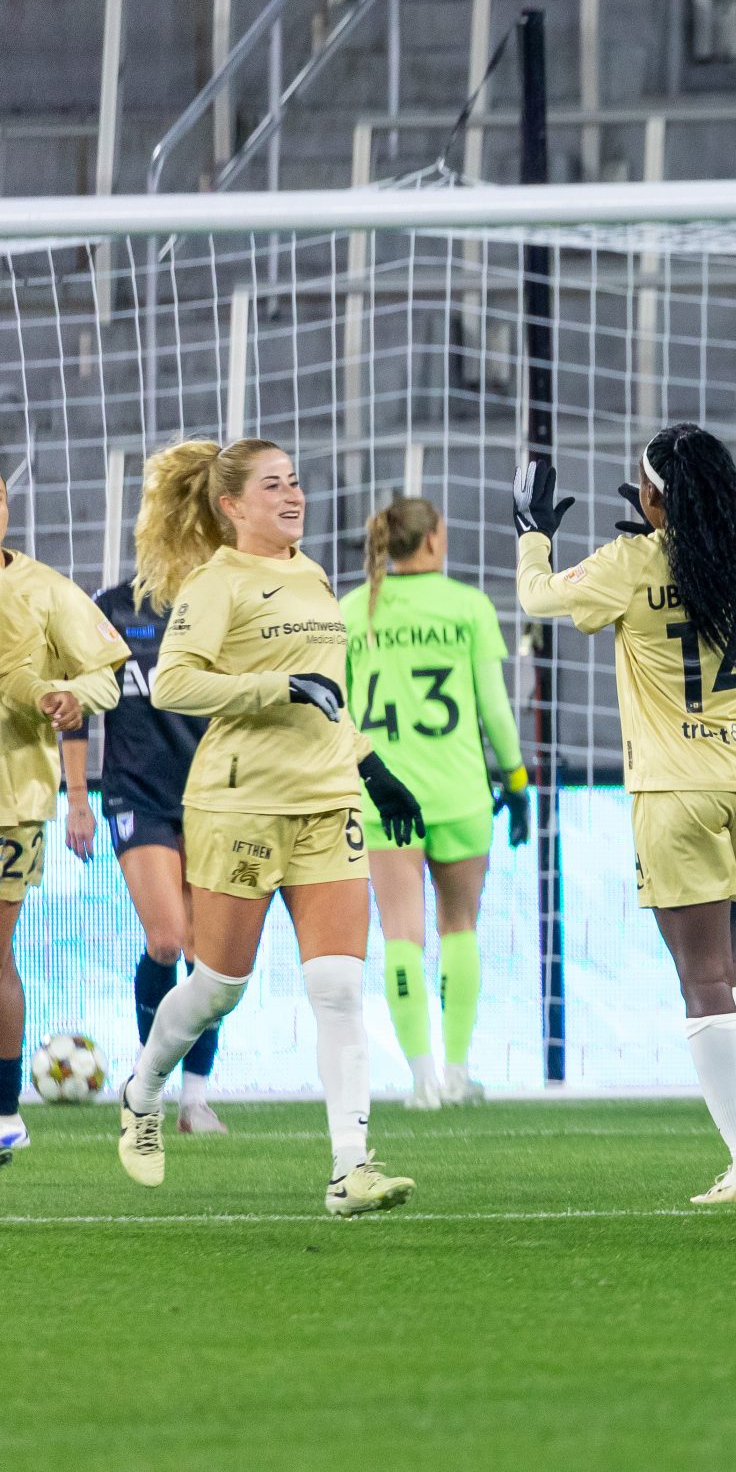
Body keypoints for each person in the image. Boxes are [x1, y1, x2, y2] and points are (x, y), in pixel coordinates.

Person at [115, 438, 426, 1216]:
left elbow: (328, 696)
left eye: (295, 481)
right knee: (218, 988)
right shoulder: (216, 582)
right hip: (241, 804)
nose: (292, 495)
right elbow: (174, 683)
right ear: (232, 506)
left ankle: (350, 1168)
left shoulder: (312, 573)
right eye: (272, 485)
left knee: (338, 987)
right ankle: (142, 1090)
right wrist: (274, 685)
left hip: (327, 801)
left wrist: (369, 764)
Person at [514, 426, 736, 1206]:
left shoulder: (628, 564)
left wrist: (533, 535)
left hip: (677, 788)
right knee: (733, 957)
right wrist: (684, 527)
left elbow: (538, 598)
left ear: (652, 499)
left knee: (700, 976)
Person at [343, 496, 532, 1111]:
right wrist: (517, 782)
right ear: (432, 541)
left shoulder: (353, 610)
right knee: (460, 927)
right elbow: (495, 709)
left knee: (401, 933)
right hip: (459, 792)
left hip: (383, 795)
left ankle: (420, 1079)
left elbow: (336, 711)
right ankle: (456, 1071)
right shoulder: (467, 607)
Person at [59, 574, 228, 1136]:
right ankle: (147, 1081)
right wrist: (77, 799)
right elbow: (78, 704)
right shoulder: (110, 608)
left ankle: (195, 1100)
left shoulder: (219, 601)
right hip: (137, 792)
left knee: (206, 958)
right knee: (167, 940)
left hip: (210, 794)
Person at [0, 468, 131, 1164]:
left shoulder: (46, 590)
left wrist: (73, 695)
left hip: (10, 801)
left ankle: (2, 1112)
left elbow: (106, 673)